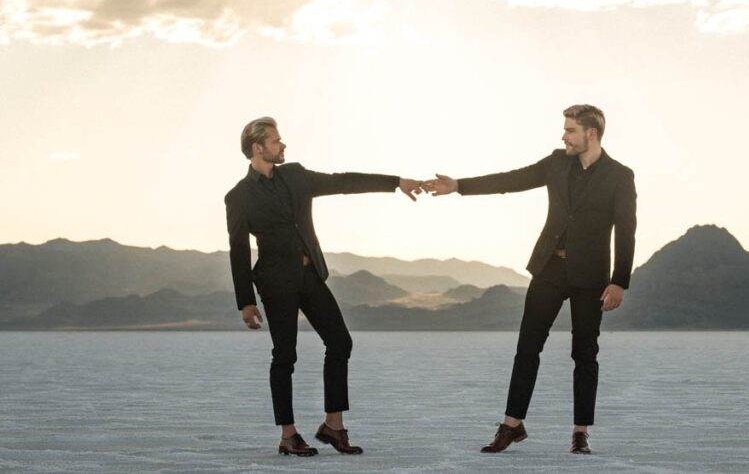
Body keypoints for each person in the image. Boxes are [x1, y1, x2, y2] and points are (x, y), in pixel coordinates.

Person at [426, 104, 637, 455]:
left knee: (585, 354)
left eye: (570, 130)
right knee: (527, 348)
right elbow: (512, 180)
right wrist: (460, 186)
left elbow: (626, 232)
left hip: (591, 278)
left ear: (591, 134)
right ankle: (512, 425)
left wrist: (620, 281)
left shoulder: (619, 176)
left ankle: (580, 431)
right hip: (549, 269)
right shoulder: (557, 162)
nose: (563, 136)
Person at [225, 116, 422, 457]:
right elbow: (239, 250)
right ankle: (289, 435)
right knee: (285, 356)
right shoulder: (239, 197)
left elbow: (343, 182)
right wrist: (246, 301)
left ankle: (333, 425)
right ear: (258, 148)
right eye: (275, 141)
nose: (283, 145)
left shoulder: (296, 176)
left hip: (310, 276)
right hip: (276, 284)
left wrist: (396, 182)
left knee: (340, 342)